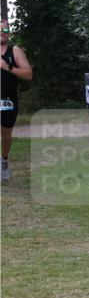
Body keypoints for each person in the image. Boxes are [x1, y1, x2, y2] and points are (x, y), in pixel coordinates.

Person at [0, 19, 33, 181]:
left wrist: (7, 67)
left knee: (6, 134)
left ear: (9, 33)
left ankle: (4, 162)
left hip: (7, 101)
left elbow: (28, 74)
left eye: (5, 31)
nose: (2, 33)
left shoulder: (15, 51)